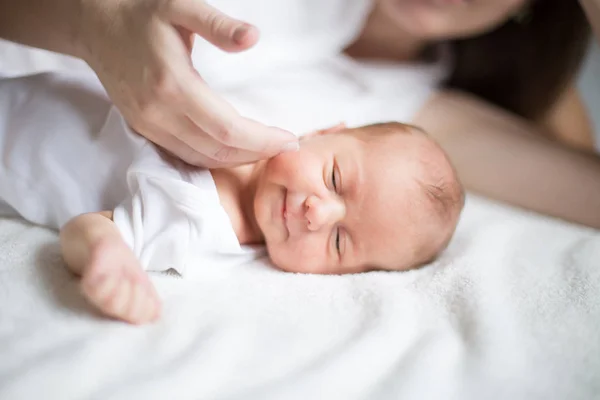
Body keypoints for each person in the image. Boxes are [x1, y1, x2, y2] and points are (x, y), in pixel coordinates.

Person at [0, 72, 464, 324]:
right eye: (336, 177)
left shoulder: (200, 225)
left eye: (340, 242)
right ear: (325, 131)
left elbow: (89, 226)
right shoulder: (248, 125)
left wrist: (107, 253)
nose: (316, 213)